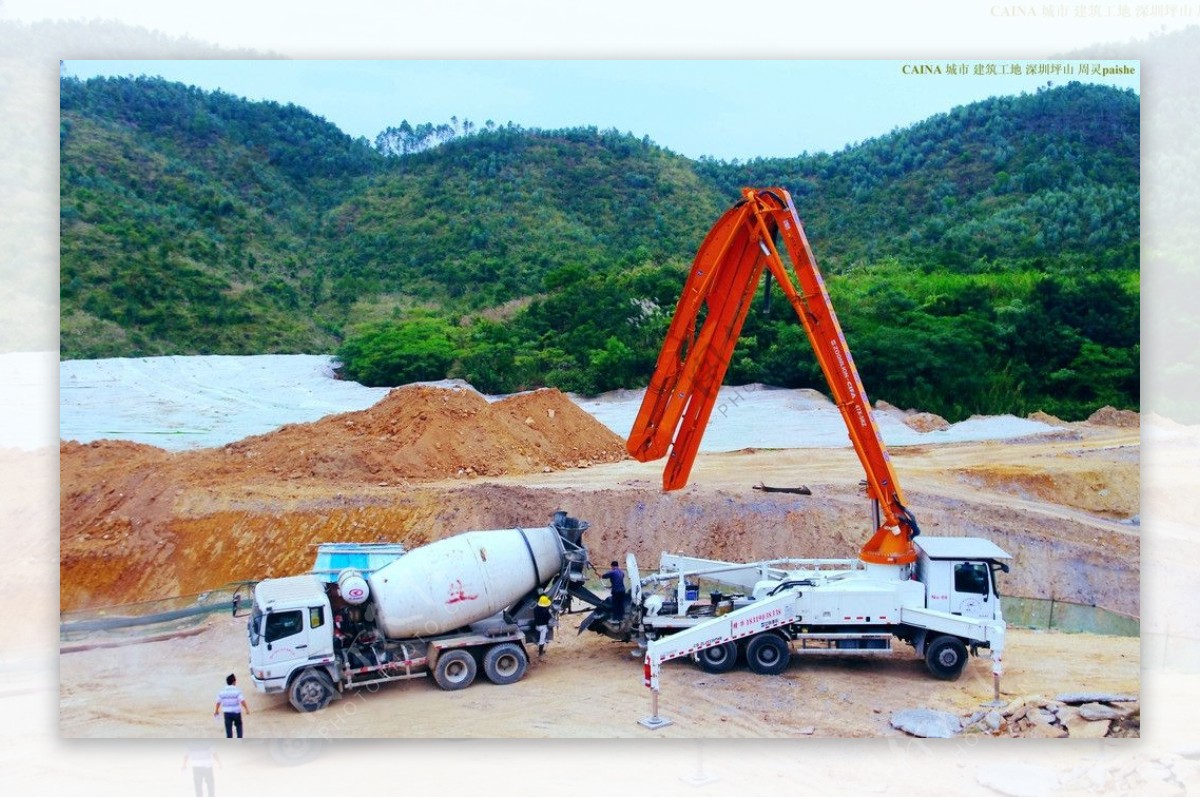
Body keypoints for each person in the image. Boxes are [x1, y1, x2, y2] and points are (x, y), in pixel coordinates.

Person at [213, 673, 249, 738]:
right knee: (239, 726)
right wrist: (246, 709)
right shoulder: (237, 691)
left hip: (227, 713)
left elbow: (218, 702)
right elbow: (242, 701)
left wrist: (216, 711)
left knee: (228, 730)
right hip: (236, 712)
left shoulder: (222, 691)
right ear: (234, 682)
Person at [533, 594, 553, 658]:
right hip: (542, 627)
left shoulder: (535, 609)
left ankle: (539, 648)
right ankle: (540, 654)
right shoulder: (546, 612)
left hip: (537, 626)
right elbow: (549, 620)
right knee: (542, 640)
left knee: (539, 639)